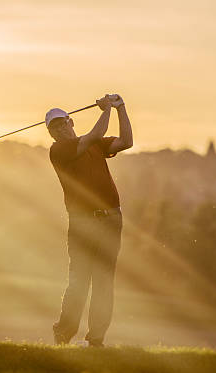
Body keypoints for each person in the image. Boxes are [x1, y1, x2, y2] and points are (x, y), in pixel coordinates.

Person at [46, 94, 133, 347]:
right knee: (79, 281)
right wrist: (105, 109)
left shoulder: (95, 145)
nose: (60, 129)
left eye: (63, 123)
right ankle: (64, 333)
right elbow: (94, 134)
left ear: (70, 121)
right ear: (51, 135)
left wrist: (120, 108)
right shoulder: (59, 150)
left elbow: (126, 141)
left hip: (111, 219)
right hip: (83, 222)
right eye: (55, 128)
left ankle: (96, 339)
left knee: (104, 281)